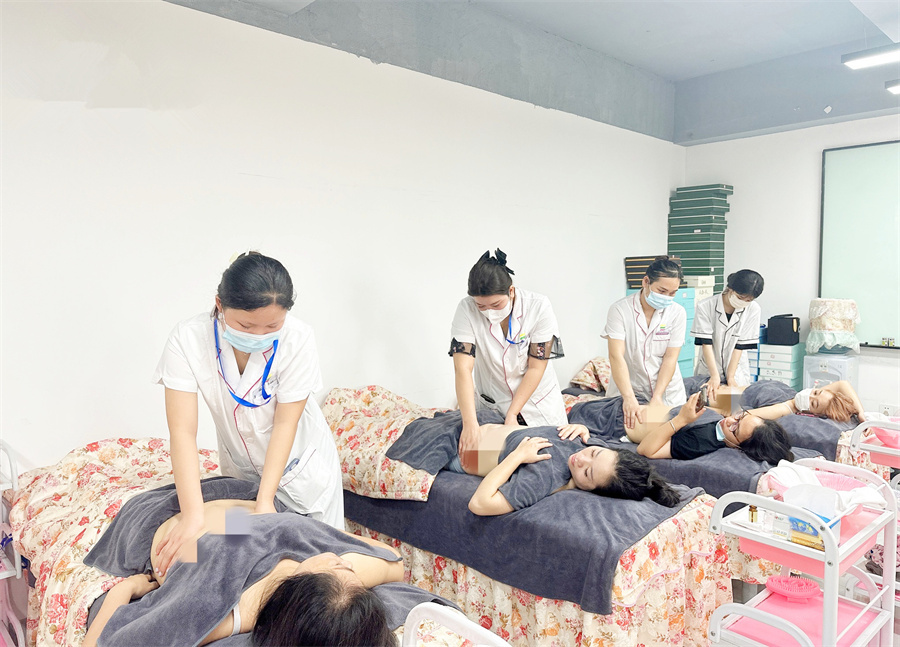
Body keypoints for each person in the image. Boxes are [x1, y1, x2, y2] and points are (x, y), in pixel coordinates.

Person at [152, 252, 343, 577]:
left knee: (321, 572)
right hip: (241, 471)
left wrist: (265, 500)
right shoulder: (188, 339)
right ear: (219, 304)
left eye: (272, 326)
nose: (258, 336)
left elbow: (285, 423)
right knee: (241, 560)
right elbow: (182, 432)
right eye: (245, 325)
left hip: (300, 469)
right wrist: (193, 515)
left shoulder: (297, 339)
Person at [83, 498, 401, 647]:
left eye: (339, 568)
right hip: (261, 513)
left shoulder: (211, 607)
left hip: (195, 535)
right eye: (346, 568)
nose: (342, 563)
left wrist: (125, 589)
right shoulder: (343, 582)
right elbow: (394, 561)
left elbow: (100, 644)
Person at [450, 249, 567, 463]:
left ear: (511, 291)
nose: (489, 311)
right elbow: (463, 368)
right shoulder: (466, 309)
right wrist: (469, 423)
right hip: (493, 402)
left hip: (537, 403)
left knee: (551, 459)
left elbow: (536, 367)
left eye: (496, 305)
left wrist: (513, 413)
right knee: (488, 461)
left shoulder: (538, 307)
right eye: (481, 306)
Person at [457, 423, 681, 516]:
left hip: (464, 451)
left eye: (587, 473)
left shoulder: (544, 475)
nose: (580, 460)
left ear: (592, 490)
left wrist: (517, 456)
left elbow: (479, 504)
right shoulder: (593, 447)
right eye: (594, 453)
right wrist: (582, 427)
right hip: (481, 429)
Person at [603, 257, 687, 431]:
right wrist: (628, 397)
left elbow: (670, 358)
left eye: (672, 293)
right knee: (624, 431)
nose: (666, 298)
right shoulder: (620, 310)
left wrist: (657, 397)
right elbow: (616, 355)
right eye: (662, 291)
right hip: (630, 388)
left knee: (669, 433)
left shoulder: (677, 313)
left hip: (667, 391)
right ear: (646, 282)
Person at [625, 393, 794, 464]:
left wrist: (680, 419)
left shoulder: (699, 442)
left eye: (735, 429)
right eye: (740, 416)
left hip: (625, 418)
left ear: (737, 447)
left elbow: (645, 450)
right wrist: (789, 406)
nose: (730, 421)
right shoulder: (730, 426)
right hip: (643, 405)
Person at [691, 270, 764, 400]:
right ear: (730, 288)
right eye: (740, 298)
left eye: (749, 300)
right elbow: (706, 344)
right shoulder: (706, 306)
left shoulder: (753, 309)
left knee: (735, 405)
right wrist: (714, 376)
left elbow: (740, 346)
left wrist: (731, 377)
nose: (744, 302)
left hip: (736, 368)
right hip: (709, 368)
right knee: (707, 402)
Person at [748, 380, 866, 423]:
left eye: (813, 404)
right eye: (816, 392)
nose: (809, 396)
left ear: (814, 414)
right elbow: (843, 384)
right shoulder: (796, 397)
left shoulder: (784, 408)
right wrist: (861, 412)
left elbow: (745, 415)